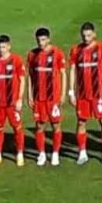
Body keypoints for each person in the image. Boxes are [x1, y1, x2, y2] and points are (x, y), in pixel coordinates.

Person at [69, 21, 102, 165]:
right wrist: (71, 91)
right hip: (82, 94)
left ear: (94, 34)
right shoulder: (76, 50)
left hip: (99, 94)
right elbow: (73, 71)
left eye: (89, 35)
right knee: (81, 122)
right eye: (84, 36)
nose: (86, 38)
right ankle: (82, 153)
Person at [27, 27, 67, 167]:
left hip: (53, 97)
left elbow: (63, 74)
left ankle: (55, 153)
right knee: (39, 125)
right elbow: (30, 76)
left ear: (48, 39)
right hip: (39, 98)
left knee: (56, 125)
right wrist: (30, 94)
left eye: (43, 40)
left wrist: (62, 94)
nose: (41, 43)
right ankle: (42, 153)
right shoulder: (32, 54)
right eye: (38, 40)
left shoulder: (57, 53)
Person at [0, 35, 26, 167]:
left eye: (4, 47)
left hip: (12, 102)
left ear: (9, 46)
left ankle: (20, 154)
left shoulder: (16, 60)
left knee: (17, 127)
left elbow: (22, 80)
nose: (1, 50)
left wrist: (20, 99)